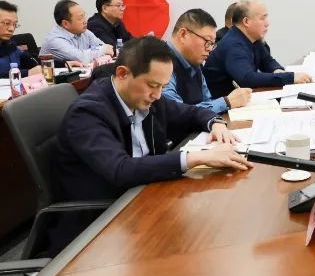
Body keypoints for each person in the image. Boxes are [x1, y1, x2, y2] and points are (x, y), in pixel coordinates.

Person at [54, 36, 251, 203]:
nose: (157, 95)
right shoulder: (88, 112)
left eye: (162, 87)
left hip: (146, 190)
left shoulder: (145, 97)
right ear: (122, 73)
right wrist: (197, 158)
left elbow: (191, 113)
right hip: (106, 212)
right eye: (153, 85)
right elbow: (120, 169)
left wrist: (216, 124)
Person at [203, 0, 312, 97]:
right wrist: (290, 78)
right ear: (246, 21)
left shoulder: (252, 38)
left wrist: (279, 72)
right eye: (262, 18)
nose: (267, 23)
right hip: (221, 107)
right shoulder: (233, 45)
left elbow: (267, 61)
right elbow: (247, 79)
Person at [163, 8, 253, 113]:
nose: (210, 49)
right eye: (207, 41)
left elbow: (207, 102)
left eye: (212, 44)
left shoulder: (194, 61)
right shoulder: (160, 61)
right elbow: (176, 112)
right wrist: (227, 102)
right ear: (183, 34)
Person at [40, 0, 114, 64]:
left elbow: (104, 47)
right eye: (80, 18)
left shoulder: (84, 32)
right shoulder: (54, 40)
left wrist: (102, 50)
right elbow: (81, 58)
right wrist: (103, 50)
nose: (85, 21)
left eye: (84, 16)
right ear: (65, 24)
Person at [0, 0, 42, 78]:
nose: (11, 29)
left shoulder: (10, 46)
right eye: (7, 23)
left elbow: (33, 61)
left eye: (15, 24)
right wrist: (27, 73)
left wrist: (63, 63)